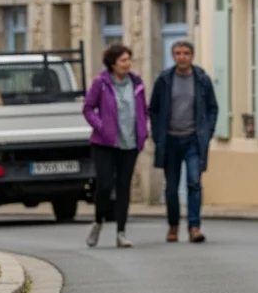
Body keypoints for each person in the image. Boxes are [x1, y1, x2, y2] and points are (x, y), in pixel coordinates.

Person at [149, 40, 219, 243]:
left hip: (193, 141)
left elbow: (213, 108)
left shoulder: (202, 80)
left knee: (194, 183)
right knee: (171, 188)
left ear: (192, 56)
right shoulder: (164, 80)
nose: (182, 57)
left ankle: (194, 227)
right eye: (178, 53)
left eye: (186, 53)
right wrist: (157, 134)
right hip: (170, 140)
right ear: (173, 56)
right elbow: (153, 109)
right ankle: (173, 225)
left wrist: (207, 132)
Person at [82, 43, 149, 249]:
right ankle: (98, 222)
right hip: (105, 143)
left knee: (123, 187)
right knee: (104, 185)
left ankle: (121, 232)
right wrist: (101, 127)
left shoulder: (136, 83)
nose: (127, 64)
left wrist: (143, 131)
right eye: (123, 60)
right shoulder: (101, 83)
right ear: (112, 63)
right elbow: (88, 108)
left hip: (129, 143)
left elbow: (142, 110)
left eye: (129, 60)